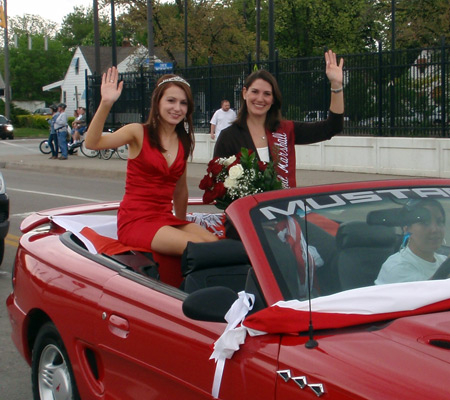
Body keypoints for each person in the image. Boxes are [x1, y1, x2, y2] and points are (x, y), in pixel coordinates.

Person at [85, 67, 218, 257]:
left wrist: (179, 224)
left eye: (183, 103)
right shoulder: (137, 132)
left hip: (164, 218)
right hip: (136, 220)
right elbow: (92, 143)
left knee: (213, 242)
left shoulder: (183, 141)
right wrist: (106, 103)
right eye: (170, 101)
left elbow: (180, 189)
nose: (177, 108)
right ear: (157, 102)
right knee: (201, 249)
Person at [214, 49, 344, 189]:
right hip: (246, 210)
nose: (260, 99)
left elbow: (332, 127)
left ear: (273, 99)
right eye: (255, 92)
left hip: (284, 208)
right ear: (245, 93)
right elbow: (218, 182)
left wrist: (336, 85)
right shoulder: (228, 136)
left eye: (267, 94)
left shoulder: (286, 130)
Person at [375, 199, 448, 285]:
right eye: (424, 223)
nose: (435, 229)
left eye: (440, 222)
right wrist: (446, 268)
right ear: (406, 229)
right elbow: (429, 293)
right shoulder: (396, 267)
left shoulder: (442, 260)